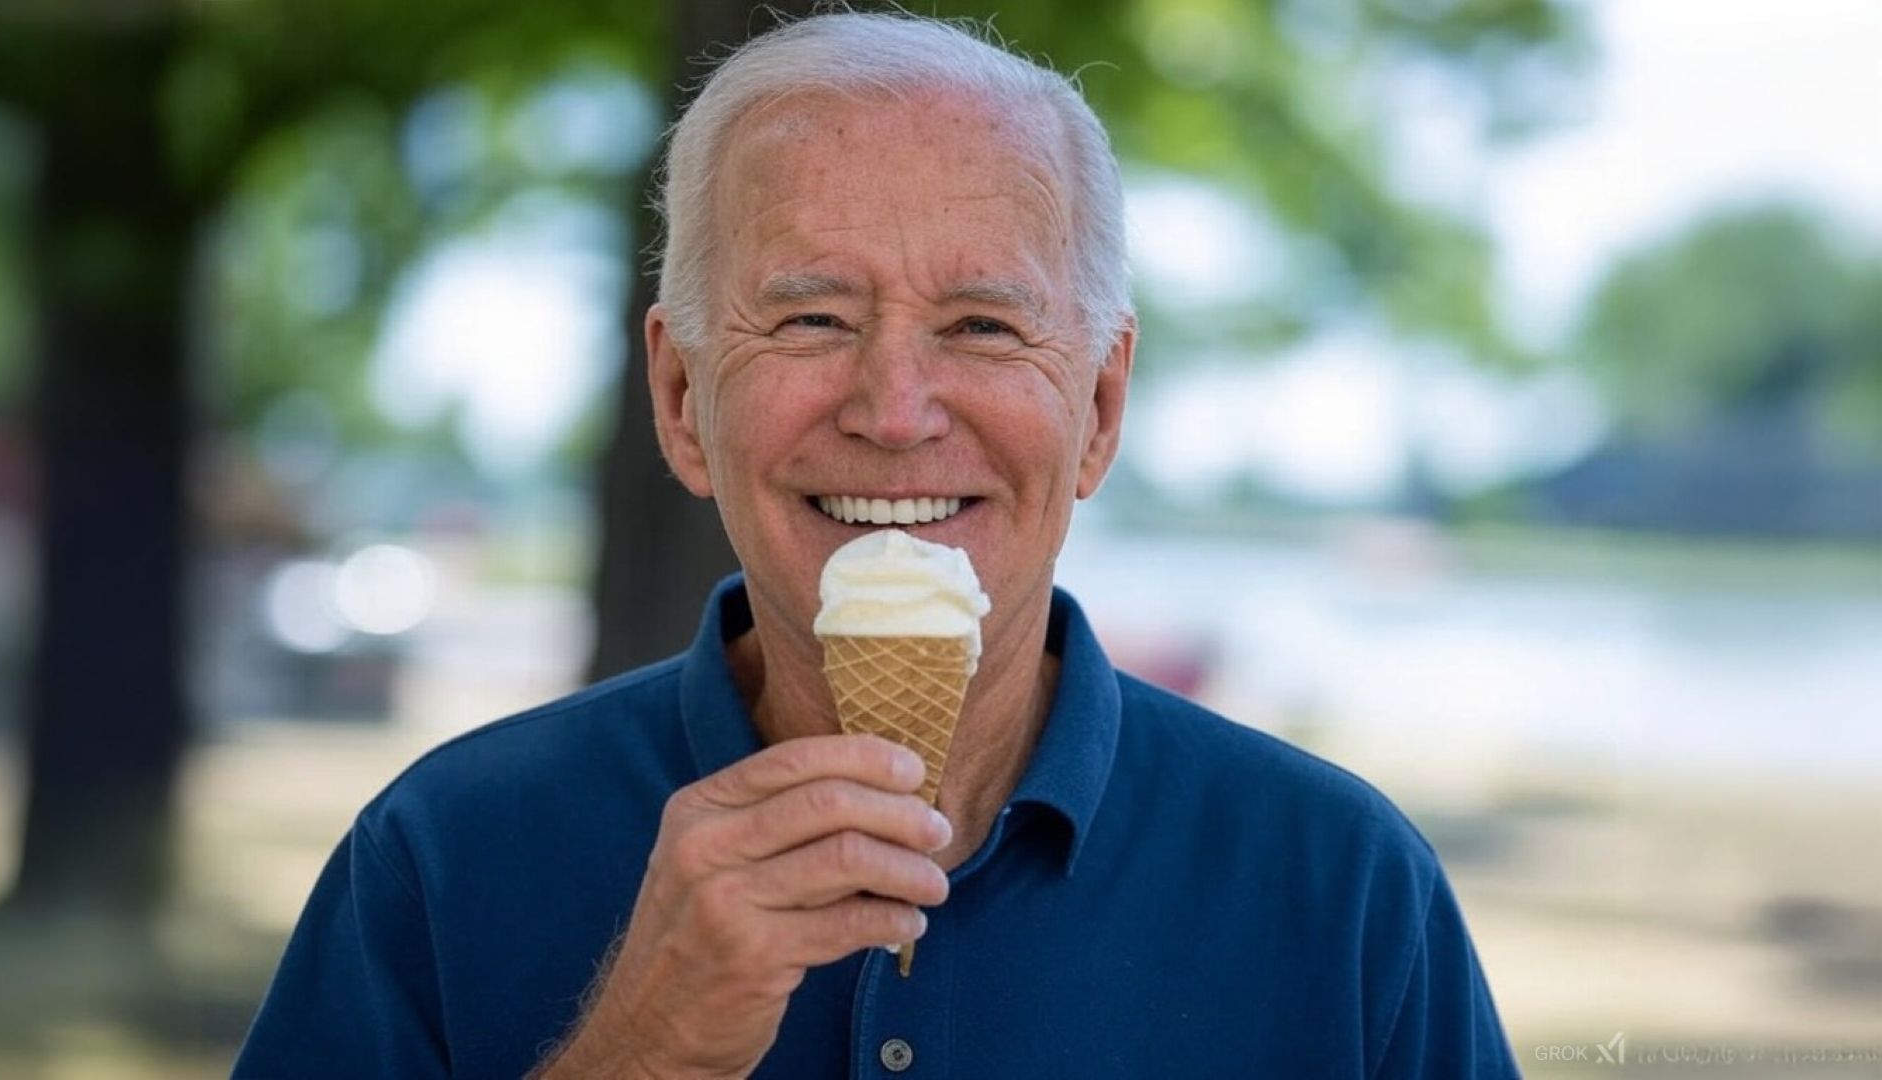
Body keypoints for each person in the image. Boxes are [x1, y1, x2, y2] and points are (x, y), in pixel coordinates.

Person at [237, 12, 1518, 1078]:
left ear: (1100, 413)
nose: (894, 412)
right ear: (683, 401)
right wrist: (636, 1051)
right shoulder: (439, 861)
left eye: (980, 328)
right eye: (809, 318)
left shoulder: (1342, 891)